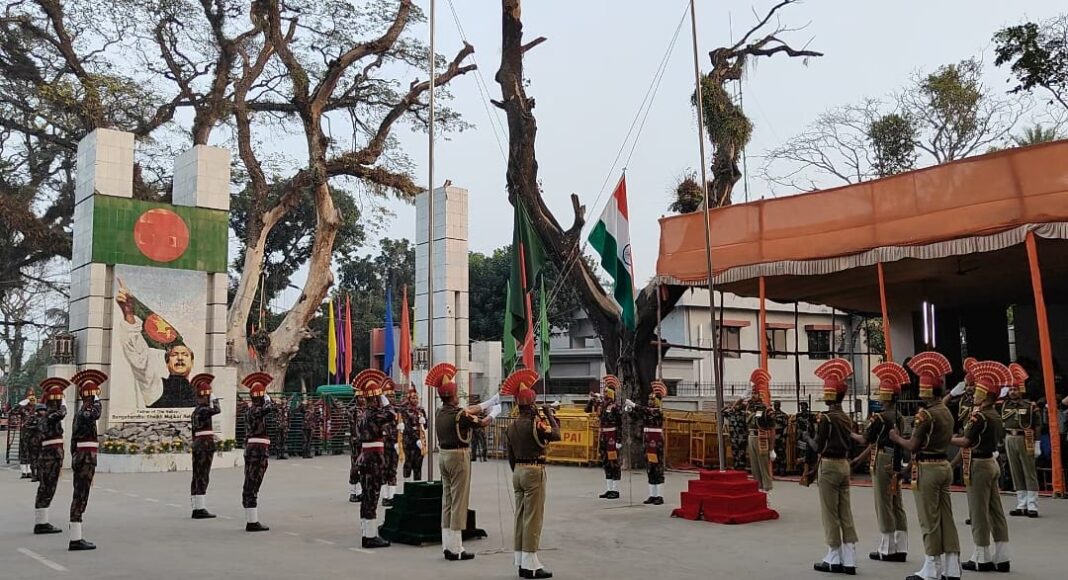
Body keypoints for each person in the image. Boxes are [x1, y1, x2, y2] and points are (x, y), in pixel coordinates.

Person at [891, 351, 960, 580]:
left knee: (928, 519)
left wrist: (896, 438)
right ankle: (952, 566)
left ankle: (932, 567)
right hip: (943, 465)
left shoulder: (925, 415)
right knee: (946, 517)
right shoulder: (946, 411)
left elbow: (913, 444)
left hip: (928, 468)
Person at [429, 362, 498, 561]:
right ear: (453, 396)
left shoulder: (440, 412)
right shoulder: (460, 415)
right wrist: (494, 412)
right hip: (459, 457)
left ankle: (447, 544)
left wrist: (489, 402)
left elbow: (467, 410)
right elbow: (481, 422)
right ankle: (457, 548)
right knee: (459, 501)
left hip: (443, 456)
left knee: (447, 501)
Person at [951, 362, 1011, 573]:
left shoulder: (979, 416)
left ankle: (981, 557)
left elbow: (966, 441)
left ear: (985, 395)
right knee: (996, 512)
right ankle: (1002, 556)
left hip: (978, 465)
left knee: (978, 512)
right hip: (991, 462)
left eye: (978, 390)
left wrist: (948, 438)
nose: (975, 393)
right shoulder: (995, 414)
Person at [503, 370, 560, 579]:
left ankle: (520, 559)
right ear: (533, 404)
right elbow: (556, 435)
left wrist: (518, 471)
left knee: (520, 516)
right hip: (534, 471)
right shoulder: (536, 424)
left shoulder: (512, 426)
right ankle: (531, 563)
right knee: (533, 518)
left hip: (517, 471)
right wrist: (550, 415)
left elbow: (510, 455)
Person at [806, 359, 858, 575]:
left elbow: (818, 446)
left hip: (828, 466)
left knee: (830, 512)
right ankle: (850, 558)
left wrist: (807, 437)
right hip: (844, 465)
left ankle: (833, 556)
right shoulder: (846, 418)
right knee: (845, 511)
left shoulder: (826, 418)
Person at [853, 362, 909, 563]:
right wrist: (861, 457)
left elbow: (864, 439)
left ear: (885, 396)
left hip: (883, 458)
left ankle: (887, 548)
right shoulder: (900, 416)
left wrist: (849, 433)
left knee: (883, 502)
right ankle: (901, 546)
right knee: (896, 502)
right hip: (896, 459)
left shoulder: (879, 417)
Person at [115, 278, 197, 408]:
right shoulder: (156, 388)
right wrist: (129, 315)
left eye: (185, 355)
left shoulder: (200, 392)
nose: (180, 358)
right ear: (167, 362)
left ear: (192, 363)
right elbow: (140, 360)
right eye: (175, 354)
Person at [352, 369, 392, 549]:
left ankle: (366, 531)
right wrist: (384, 397)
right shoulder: (375, 414)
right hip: (373, 459)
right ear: (375, 398)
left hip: (365, 458)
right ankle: (370, 537)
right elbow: (391, 414)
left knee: (367, 497)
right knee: (372, 497)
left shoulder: (363, 414)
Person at [68, 370, 105, 551]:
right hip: (85, 458)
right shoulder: (85, 412)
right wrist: (97, 401)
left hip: (82, 457)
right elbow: (96, 414)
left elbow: (72, 443)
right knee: (81, 495)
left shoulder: (81, 412)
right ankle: (75, 539)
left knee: (81, 494)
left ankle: (76, 535)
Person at [1001, 362, 1041, 518]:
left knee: (1029, 471)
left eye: (1015, 389)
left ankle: (1032, 505)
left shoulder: (1029, 405)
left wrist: (1037, 443)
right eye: (1010, 389)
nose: (1012, 392)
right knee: (1015, 470)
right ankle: (1021, 503)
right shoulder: (1004, 405)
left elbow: (1037, 425)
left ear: (1021, 390)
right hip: (1009, 438)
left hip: (1025, 438)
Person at [33, 377, 68, 535]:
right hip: (50, 457)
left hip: (52, 456)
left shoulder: (48, 415)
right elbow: (61, 414)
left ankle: (42, 521)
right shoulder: (49, 416)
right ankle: (41, 523)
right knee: (47, 488)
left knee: (48, 488)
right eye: (59, 399)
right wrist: (64, 405)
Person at [241, 372, 276, 532]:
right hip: (258, 449)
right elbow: (269, 408)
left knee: (252, 482)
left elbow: (272, 409)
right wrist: (267, 399)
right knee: (253, 482)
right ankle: (252, 521)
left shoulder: (252, 410)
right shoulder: (255, 410)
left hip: (254, 448)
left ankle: (251, 518)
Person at [733, 369, 775, 492]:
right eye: (752, 393)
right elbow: (734, 407)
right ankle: (758, 488)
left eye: (755, 393)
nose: (753, 395)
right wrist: (742, 397)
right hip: (751, 437)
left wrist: (772, 449)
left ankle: (767, 489)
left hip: (761, 438)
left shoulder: (766, 409)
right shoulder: (748, 406)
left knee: (763, 465)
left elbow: (772, 429)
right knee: (754, 466)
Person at [626, 380, 667, 505]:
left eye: (652, 399)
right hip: (648, 440)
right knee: (650, 467)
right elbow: (639, 415)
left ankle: (659, 495)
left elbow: (645, 411)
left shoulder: (657, 412)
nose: (649, 401)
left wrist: (634, 405)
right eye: (649, 399)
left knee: (657, 467)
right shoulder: (648, 411)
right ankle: (652, 495)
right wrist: (630, 410)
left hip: (656, 441)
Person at [189, 373, 221, 519]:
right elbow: (217, 409)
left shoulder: (195, 411)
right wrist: (214, 399)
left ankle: (196, 506)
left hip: (197, 443)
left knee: (197, 475)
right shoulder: (203, 409)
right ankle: (199, 508)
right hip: (205, 444)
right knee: (203, 475)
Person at [585, 375, 622, 499]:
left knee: (613, 462)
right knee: (606, 462)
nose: (604, 394)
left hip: (612, 436)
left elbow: (620, 424)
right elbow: (587, 410)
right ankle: (609, 489)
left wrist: (619, 440)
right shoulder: (601, 404)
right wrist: (591, 400)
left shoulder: (615, 407)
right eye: (604, 392)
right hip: (604, 436)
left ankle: (615, 490)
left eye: (606, 392)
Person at [400, 385, 428, 485]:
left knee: (418, 464)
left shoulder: (421, 409)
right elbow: (407, 427)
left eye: (416, 398)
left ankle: (417, 484)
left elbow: (425, 426)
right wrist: (416, 439)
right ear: (409, 399)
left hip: (420, 441)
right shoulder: (405, 410)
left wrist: (424, 421)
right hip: (409, 441)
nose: (415, 400)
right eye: (413, 398)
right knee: (408, 462)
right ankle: (407, 484)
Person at [380, 379, 400, 508]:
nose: (392, 398)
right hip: (383, 445)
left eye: (393, 396)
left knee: (393, 470)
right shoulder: (381, 411)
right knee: (383, 470)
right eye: (389, 396)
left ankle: (392, 496)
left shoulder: (398, 410)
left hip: (395, 445)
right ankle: (384, 496)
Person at [13, 389, 39, 480]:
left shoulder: (37, 407)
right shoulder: (23, 408)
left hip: (34, 433)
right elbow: (12, 411)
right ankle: (24, 472)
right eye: (29, 396)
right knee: (24, 451)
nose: (31, 398)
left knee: (33, 452)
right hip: (25, 433)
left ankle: (31, 471)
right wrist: (21, 404)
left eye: (33, 395)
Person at [347, 394, 366, 503]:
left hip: (365, 441)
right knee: (355, 466)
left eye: (364, 397)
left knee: (364, 466)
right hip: (356, 441)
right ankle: (353, 492)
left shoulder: (367, 410)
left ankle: (360, 491)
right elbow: (352, 423)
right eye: (360, 397)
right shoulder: (352, 410)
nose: (362, 399)